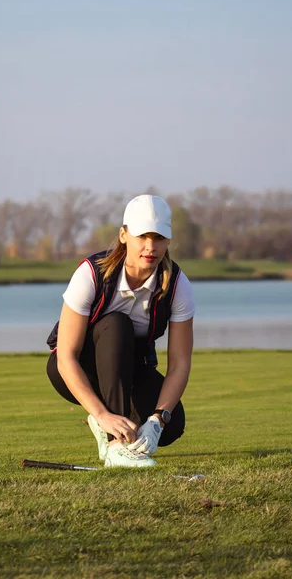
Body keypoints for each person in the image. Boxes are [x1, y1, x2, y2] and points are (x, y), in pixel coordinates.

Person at [46, 194, 195, 467]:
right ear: (124, 235)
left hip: (130, 370)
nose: (151, 247)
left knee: (172, 426)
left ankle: (114, 427)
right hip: (76, 369)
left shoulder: (177, 285)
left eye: (159, 238)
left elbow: (180, 365)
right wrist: (102, 414)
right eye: (142, 237)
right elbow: (66, 356)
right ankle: (117, 445)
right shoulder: (91, 273)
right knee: (117, 324)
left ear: (168, 240)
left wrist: (157, 419)